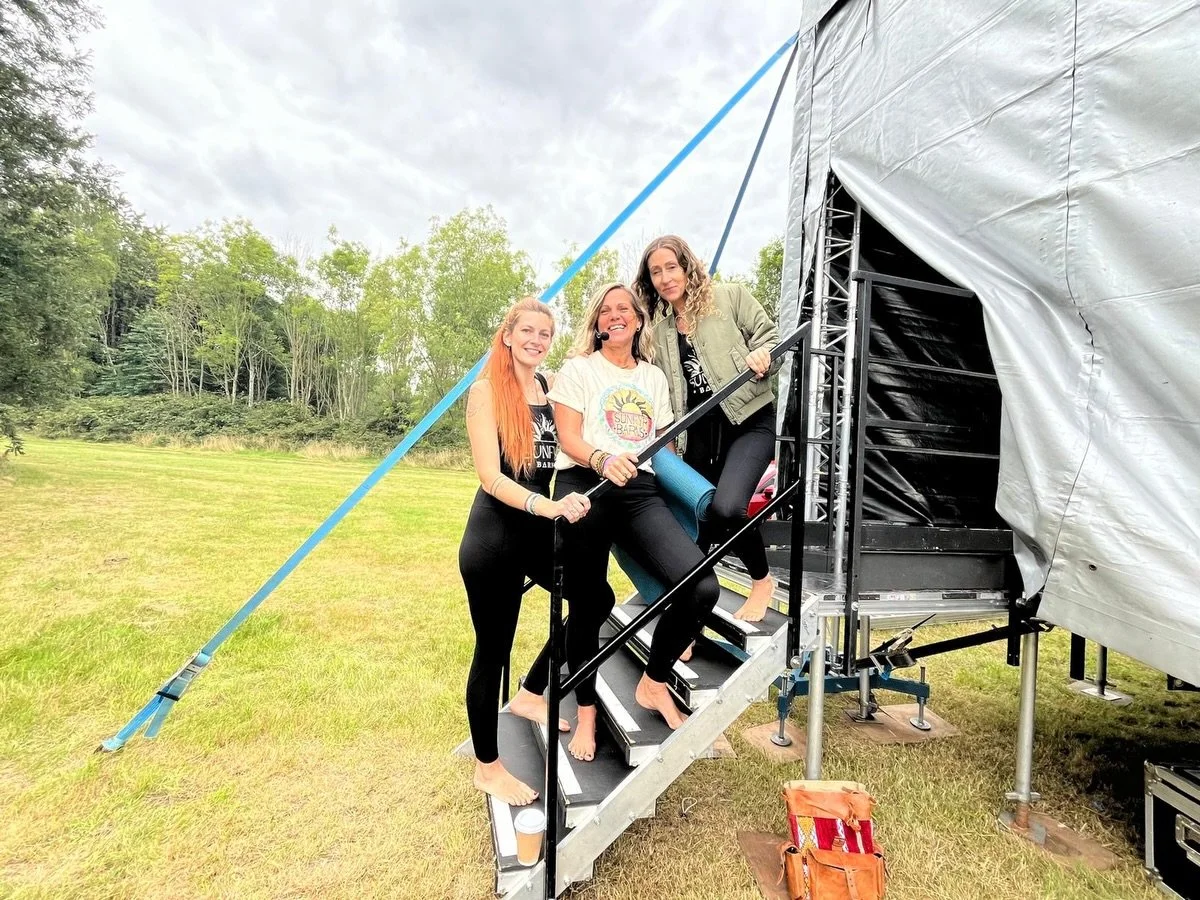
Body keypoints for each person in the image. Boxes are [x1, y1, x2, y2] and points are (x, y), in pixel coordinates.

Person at [521, 282, 721, 761]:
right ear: (596, 322)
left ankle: (654, 682)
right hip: (585, 488)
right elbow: (568, 436)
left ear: (637, 320)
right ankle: (585, 709)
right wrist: (601, 457)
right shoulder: (579, 369)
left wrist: (693, 492)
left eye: (623, 309)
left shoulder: (652, 378)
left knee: (700, 587)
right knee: (590, 605)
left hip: (638, 493)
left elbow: (663, 447)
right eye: (605, 310)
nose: (615, 316)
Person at [459, 297, 593, 806]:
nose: (537, 340)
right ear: (508, 334)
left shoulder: (547, 385)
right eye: (528, 331)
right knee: (492, 650)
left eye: (545, 333)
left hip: (536, 532)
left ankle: (531, 693)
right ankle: (487, 768)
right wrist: (549, 506)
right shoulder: (485, 392)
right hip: (494, 539)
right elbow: (491, 478)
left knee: (593, 598)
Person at [633, 234, 780, 625]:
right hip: (699, 430)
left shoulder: (729, 297)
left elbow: (771, 337)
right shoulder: (662, 329)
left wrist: (763, 354)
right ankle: (687, 619)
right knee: (694, 518)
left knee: (728, 507)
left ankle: (762, 580)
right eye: (656, 272)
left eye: (671, 267)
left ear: (687, 265)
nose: (665, 278)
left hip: (749, 417)